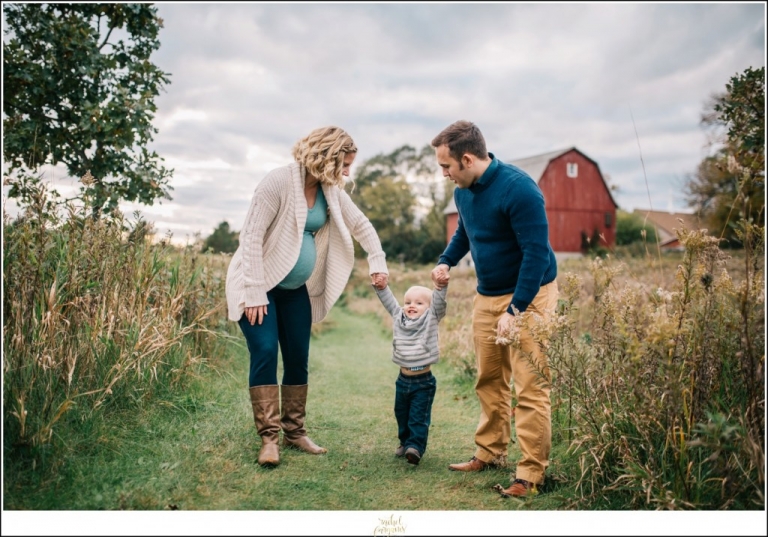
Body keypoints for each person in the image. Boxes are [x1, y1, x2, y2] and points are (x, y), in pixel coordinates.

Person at [225, 126, 389, 468]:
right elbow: (251, 237)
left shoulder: (331, 191)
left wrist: (377, 261)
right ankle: (269, 438)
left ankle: (294, 432)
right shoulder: (277, 182)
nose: (347, 172)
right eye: (344, 164)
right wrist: (255, 291)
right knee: (266, 350)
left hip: (294, 291)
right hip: (258, 286)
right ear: (327, 157)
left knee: (298, 356)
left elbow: (362, 226)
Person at [430, 120, 559, 497]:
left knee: (530, 386)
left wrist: (516, 309)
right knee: (489, 378)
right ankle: (490, 452)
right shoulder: (464, 191)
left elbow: (535, 255)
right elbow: (466, 233)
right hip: (487, 296)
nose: (444, 174)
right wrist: (446, 260)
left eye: (446, 167)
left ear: (467, 159)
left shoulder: (520, 190)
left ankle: (531, 475)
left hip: (530, 295)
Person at [371, 276, 447, 466]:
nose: (411, 305)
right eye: (408, 302)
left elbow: (438, 302)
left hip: (423, 381)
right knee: (401, 414)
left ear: (429, 308)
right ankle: (405, 442)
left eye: (419, 303)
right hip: (402, 379)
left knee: (418, 417)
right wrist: (382, 288)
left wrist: (440, 286)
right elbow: (389, 302)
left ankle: (415, 447)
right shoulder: (399, 317)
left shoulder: (431, 318)